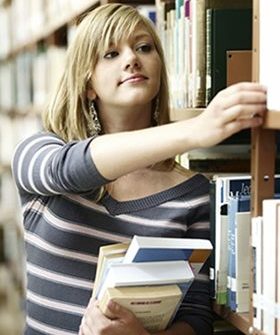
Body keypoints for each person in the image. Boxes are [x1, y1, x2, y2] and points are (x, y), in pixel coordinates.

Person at [12, 3, 266, 335]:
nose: (131, 58)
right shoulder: (40, 151)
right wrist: (197, 130)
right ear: (88, 84)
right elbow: (68, 170)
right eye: (110, 54)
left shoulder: (194, 195)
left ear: (160, 69)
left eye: (144, 47)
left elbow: (197, 318)